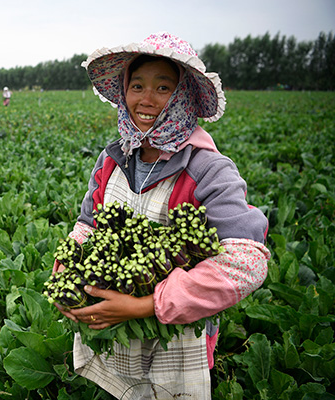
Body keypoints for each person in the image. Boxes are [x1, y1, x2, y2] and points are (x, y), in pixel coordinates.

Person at [53, 32, 270, 399]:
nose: (146, 99)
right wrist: (66, 272)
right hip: (112, 326)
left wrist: (144, 305)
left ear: (183, 96)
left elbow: (246, 263)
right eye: (137, 85)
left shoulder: (210, 170)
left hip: (176, 338)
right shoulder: (112, 159)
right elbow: (87, 226)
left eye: (163, 87)